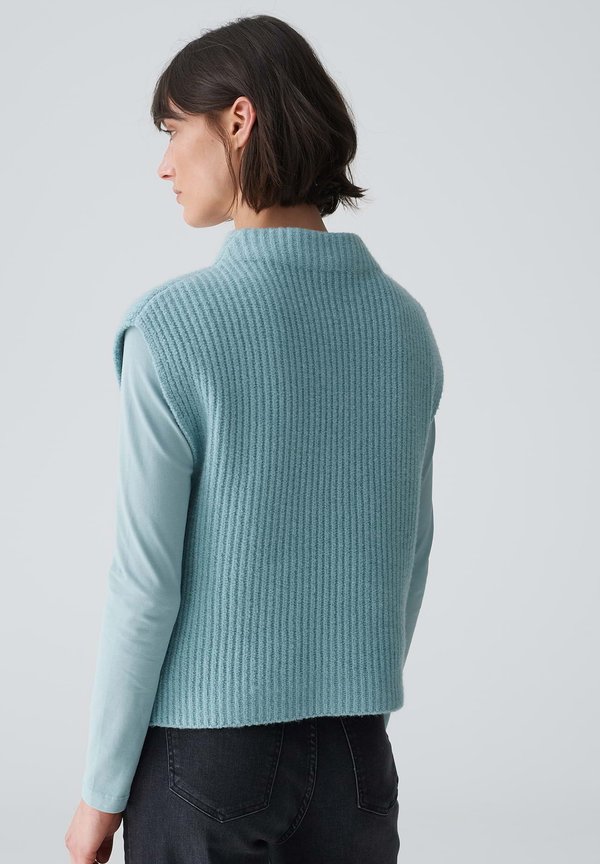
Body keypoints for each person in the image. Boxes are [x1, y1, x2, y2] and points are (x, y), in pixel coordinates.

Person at [64, 13, 443, 864]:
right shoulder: (403, 325)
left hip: (205, 759)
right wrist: (352, 696)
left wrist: (100, 793)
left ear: (239, 120)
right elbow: (412, 551)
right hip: (357, 757)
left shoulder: (174, 328)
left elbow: (146, 584)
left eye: (173, 130)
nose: (164, 164)